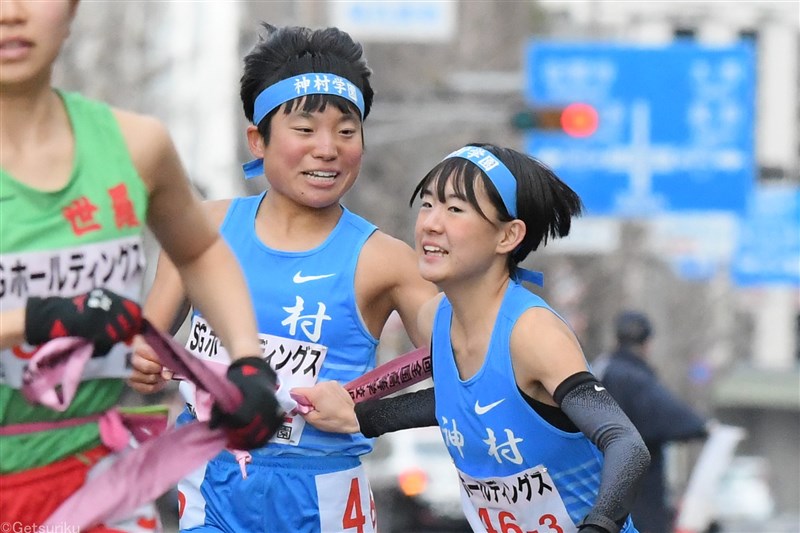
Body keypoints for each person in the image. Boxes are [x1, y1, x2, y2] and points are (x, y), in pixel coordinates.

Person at [128, 22, 438, 533]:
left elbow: (464, 367)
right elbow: (144, 346)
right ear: (258, 140)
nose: (328, 148)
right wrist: (141, 365)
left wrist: (371, 415)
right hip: (209, 478)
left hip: (322, 492)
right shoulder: (204, 229)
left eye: (346, 130)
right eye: (305, 130)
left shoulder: (385, 260)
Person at [0, 0, 283, 528]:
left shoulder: (136, 146)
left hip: (97, 479)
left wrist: (248, 363)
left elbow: (199, 250)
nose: (10, 13)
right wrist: (43, 318)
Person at [297, 144, 652, 533]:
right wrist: (360, 416)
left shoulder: (532, 333)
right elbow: (468, 401)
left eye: (454, 209)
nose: (431, 224)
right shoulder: (436, 319)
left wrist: (598, 527)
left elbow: (626, 444)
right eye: (428, 204)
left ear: (508, 236)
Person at [592, 311, 710, 533]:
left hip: (599, 482)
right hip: (638, 492)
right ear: (647, 343)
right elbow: (676, 418)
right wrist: (706, 428)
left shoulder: (599, 369)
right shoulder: (634, 378)